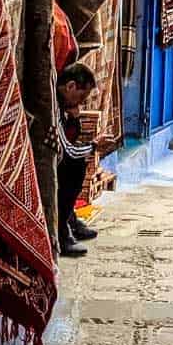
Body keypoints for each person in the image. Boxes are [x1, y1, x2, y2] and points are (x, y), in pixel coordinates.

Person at [57, 61, 100, 256]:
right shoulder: (54, 107)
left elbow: (70, 139)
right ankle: (61, 230)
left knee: (76, 163)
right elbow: (68, 150)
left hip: (58, 154)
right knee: (75, 167)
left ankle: (69, 219)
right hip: (53, 158)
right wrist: (95, 146)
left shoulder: (63, 105)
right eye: (81, 97)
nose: (80, 103)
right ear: (71, 86)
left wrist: (74, 119)